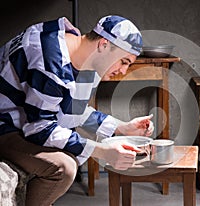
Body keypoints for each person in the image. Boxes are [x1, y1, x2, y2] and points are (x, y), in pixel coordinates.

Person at [0, 15, 154, 206]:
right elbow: (39, 128)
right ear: (104, 44)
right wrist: (103, 152)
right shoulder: (50, 60)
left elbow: (73, 111)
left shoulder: (83, 57)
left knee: (72, 145)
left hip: (23, 120)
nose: (123, 71)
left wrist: (122, 128)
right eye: (124, 62)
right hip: (4, 126)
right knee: (65, 167)